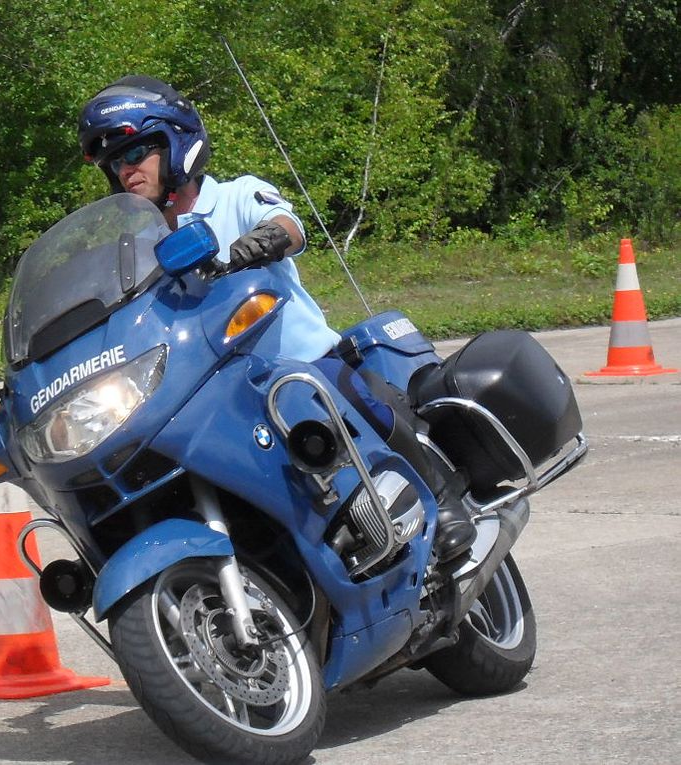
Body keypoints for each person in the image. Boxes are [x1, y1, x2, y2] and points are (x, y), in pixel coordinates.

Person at [77, 75, 475, 562]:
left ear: (176, 145)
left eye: (136, 154)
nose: (126, 170)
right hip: (216, 390)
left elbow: (290, 226)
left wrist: (258, 243)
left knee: (354, 396)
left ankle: (444, 502)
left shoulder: (238, 196)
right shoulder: (138, 245)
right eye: (116, 162)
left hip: (300, 362)